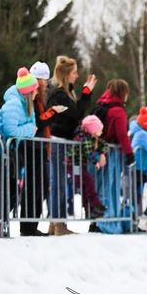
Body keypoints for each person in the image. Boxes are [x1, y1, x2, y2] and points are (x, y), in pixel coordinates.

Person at [46, 55, 97, 235]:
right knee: (58, 183)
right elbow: (76, 114)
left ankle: (56, 223)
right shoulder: (59, 93)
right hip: (58, 141)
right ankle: (58, 223)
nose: (77, 75)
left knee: (58, 182)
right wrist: (86, 93)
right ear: (67, 74)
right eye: (74, 73)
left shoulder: (64, 92)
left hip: (62, 141)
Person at [19, 61, 68, 236]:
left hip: (40, 145)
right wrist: (54, 112)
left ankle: (31, 225)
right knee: (34, 186)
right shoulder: (33, 96)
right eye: (43, 80)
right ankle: (28, 226)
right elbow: (38, 120)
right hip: (33, 145)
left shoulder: (40, 97)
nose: (46, 84)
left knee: (40, 185)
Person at [0, 68, 39, 234]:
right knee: (4, 189)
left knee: (11, 189)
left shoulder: (26, 105)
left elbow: (31, 125)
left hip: (7, 152)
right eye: (35, 88)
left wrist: (30, 127)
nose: (38, 91)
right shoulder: (15, 104)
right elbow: (11, 130)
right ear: (28, 91)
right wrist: (30, 129)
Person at [94, 79, 133, 234]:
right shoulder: (117, 111)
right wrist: (129, 153)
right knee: (111, 187)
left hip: (99, 152)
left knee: (101, 186)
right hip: (111, 153)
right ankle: (108, 220)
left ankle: (97, 220)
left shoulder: (102, 105)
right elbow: (122, 134)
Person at [67, 115, 108, 218]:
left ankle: (89, 210)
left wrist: (102, 153)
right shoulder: (84, 138)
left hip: (80, 165)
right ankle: (95, 205)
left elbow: (104, 144)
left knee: (85, 186)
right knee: (88, 182)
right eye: (99, 130)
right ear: (93, 130)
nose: (101, 132)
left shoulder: (91, 137)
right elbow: (89, 153)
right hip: (73, 165)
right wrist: (96, 162)